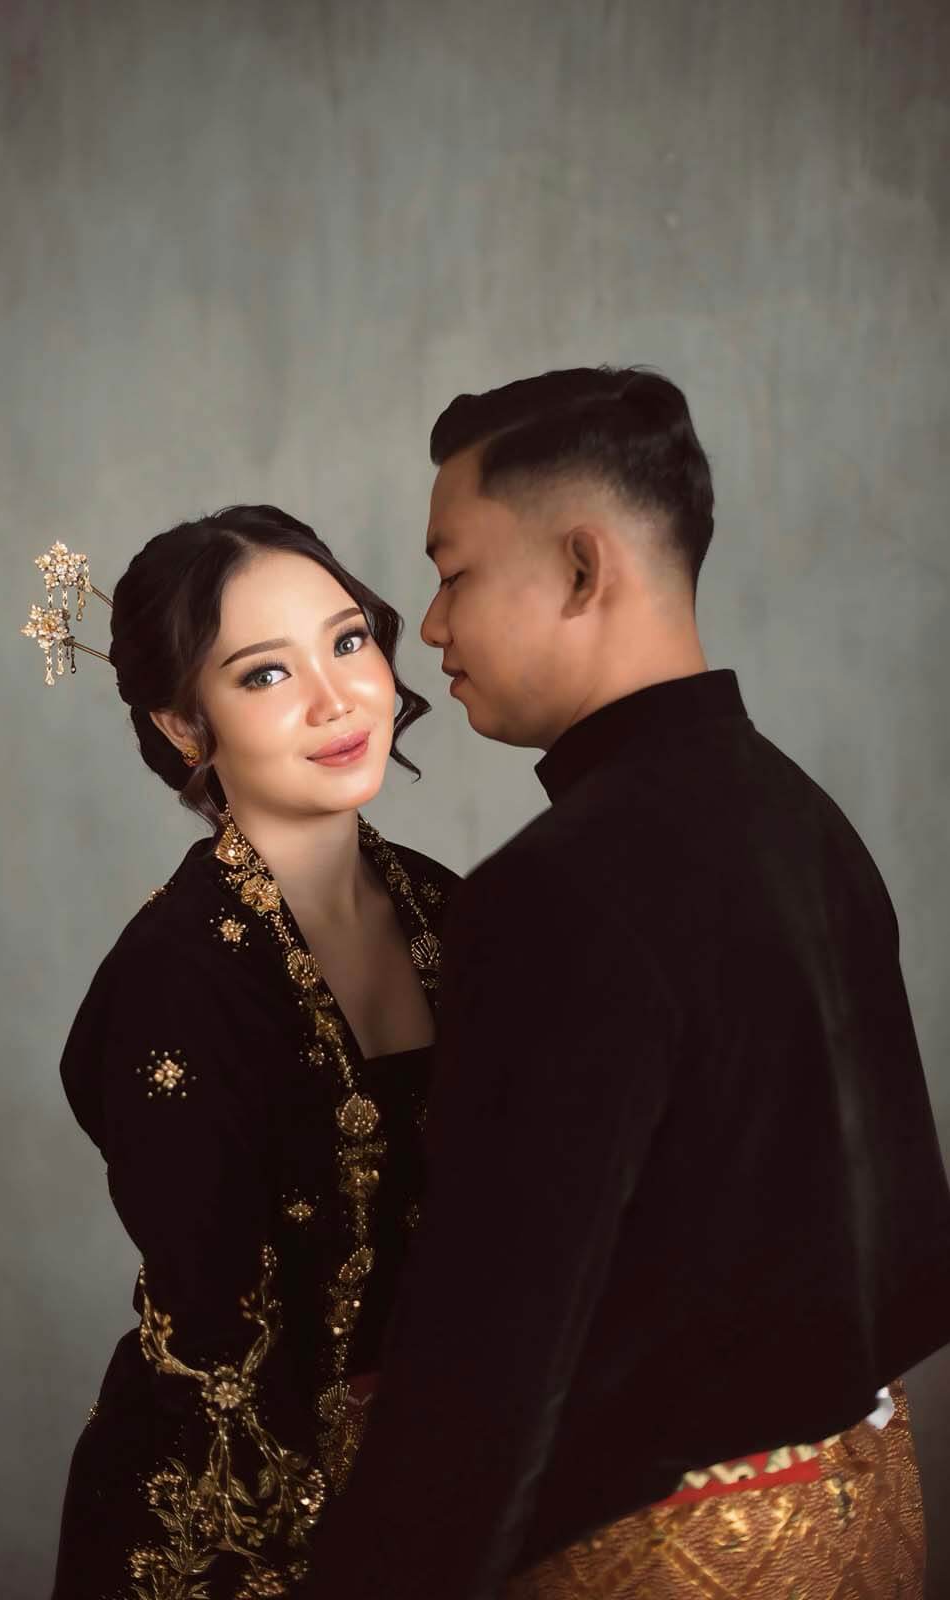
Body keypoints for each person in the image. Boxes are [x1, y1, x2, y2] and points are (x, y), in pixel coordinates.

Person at [302, 367, 950, 1600]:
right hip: (874, 1520)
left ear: (580, 568)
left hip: (661, 1557)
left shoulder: (560, 889)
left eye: (452, 572)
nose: (426, 628)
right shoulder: (804, 819)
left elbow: (489, 1362)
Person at [37, 507, 458, 1599]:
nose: (336, 698)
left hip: (454, 1481)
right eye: (265, 674)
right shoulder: (174, 979)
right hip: (234, 1513)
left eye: (348, 640)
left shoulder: (452, 912)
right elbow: (219, 1340)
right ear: (184, 725)